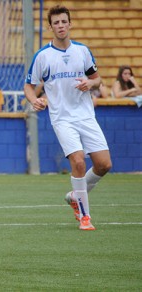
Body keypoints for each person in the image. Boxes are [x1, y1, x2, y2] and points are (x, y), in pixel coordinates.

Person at [24, 5, 112, 230]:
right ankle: (85, 217)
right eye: (56, 23)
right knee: (79, 161)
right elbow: (28, 85)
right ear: (50, 27)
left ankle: (76, 195)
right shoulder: (43, 56)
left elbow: (98, 79)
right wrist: (34, 99)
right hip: (62, 119)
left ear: (70, 24)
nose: (61, 26)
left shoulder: (82, 51)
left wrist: (90, 83)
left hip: (86, 116)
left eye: (64, 22)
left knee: (104, 164)